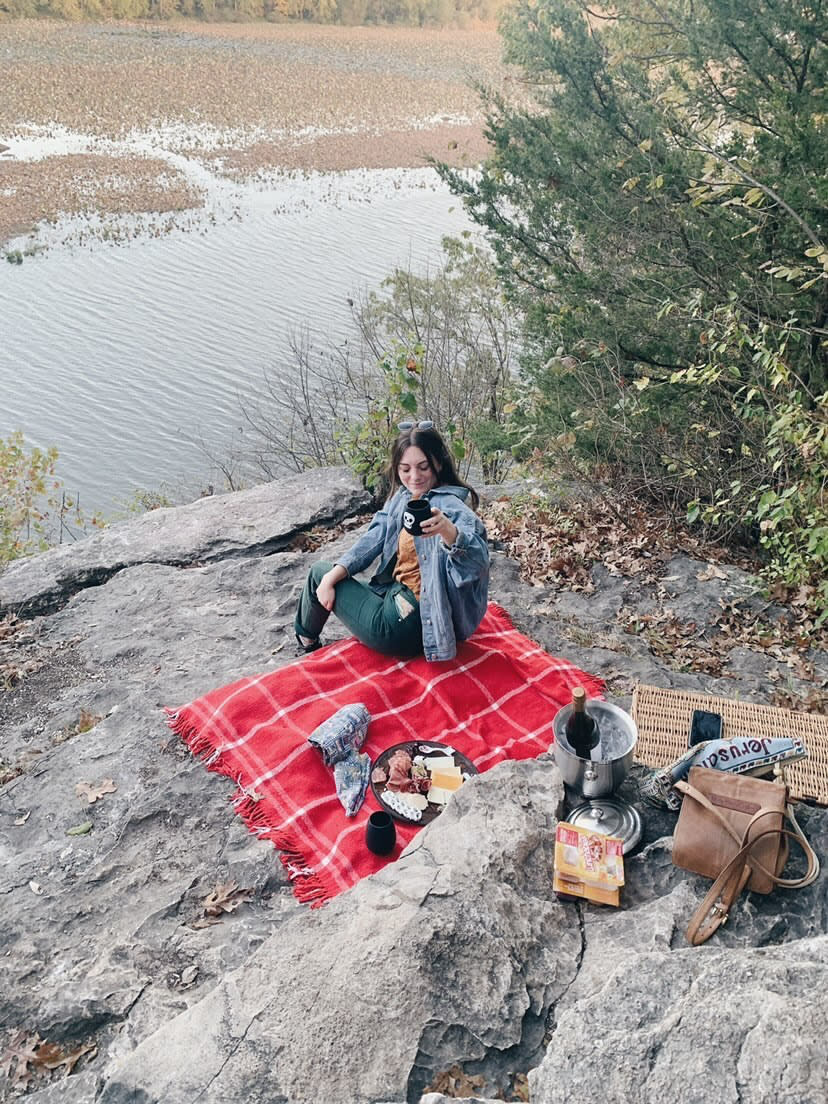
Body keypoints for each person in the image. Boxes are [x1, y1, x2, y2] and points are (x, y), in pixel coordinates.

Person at [294, 420, 489, 663]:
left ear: (438, 463)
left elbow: (477, 565)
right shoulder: (403, 497)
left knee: (316, 573)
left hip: (409, 624)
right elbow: (373, 538)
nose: (414, 477)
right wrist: (335, 575)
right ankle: (310, 636)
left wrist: (450, 533)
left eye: (423, 467)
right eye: (405, 469)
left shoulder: (452, 508)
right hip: (396, 596)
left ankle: (307, 642)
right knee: (327, 575)